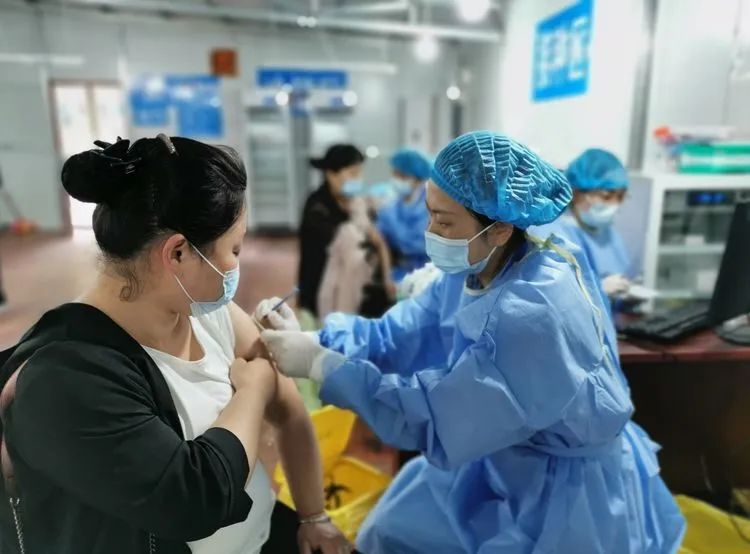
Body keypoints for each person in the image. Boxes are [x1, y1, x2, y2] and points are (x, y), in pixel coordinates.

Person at [257, 131, 686, 554]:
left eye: (444, 222)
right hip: (504, 454)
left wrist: (325, 366)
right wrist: (319, 339)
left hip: (565, 493)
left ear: (499, 229)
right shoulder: (483, 261)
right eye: (430, 215)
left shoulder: (532, 315)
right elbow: (405, 330)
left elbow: (436, 417)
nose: (430, 232)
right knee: (389, 531)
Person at [0, 136, 352, 554]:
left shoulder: (207, 312)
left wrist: (313, 517)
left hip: (261, 536)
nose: (236, 265)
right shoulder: (67, 377)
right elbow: (196, 497)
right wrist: (253, 388)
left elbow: (290, 411)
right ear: (179, 253)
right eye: (235, 248)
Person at [299, 144, 394, 320]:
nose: (358, 179)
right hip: (321, 290)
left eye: (360, 173)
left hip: (356, 292)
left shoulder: (354, 202)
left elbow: (378, 239)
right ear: (331, 175)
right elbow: (344, 245)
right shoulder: (317, 207)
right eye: (352, 173)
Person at [533, 148, 633, 299]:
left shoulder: (608, 235)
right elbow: (547, 296)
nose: (614, 204)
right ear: (576, 192)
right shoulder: (548, 234)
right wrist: (597, 290)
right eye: (606, 196)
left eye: (620, 197)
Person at [376, 148, 432, 282]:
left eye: (403, 176)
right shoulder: (392, 206)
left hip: (429, 273)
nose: (397, 179)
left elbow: (421, 245)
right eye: (395, 174)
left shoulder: (431, 204)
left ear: (418, 178)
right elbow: (380, 238)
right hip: (400, 272)